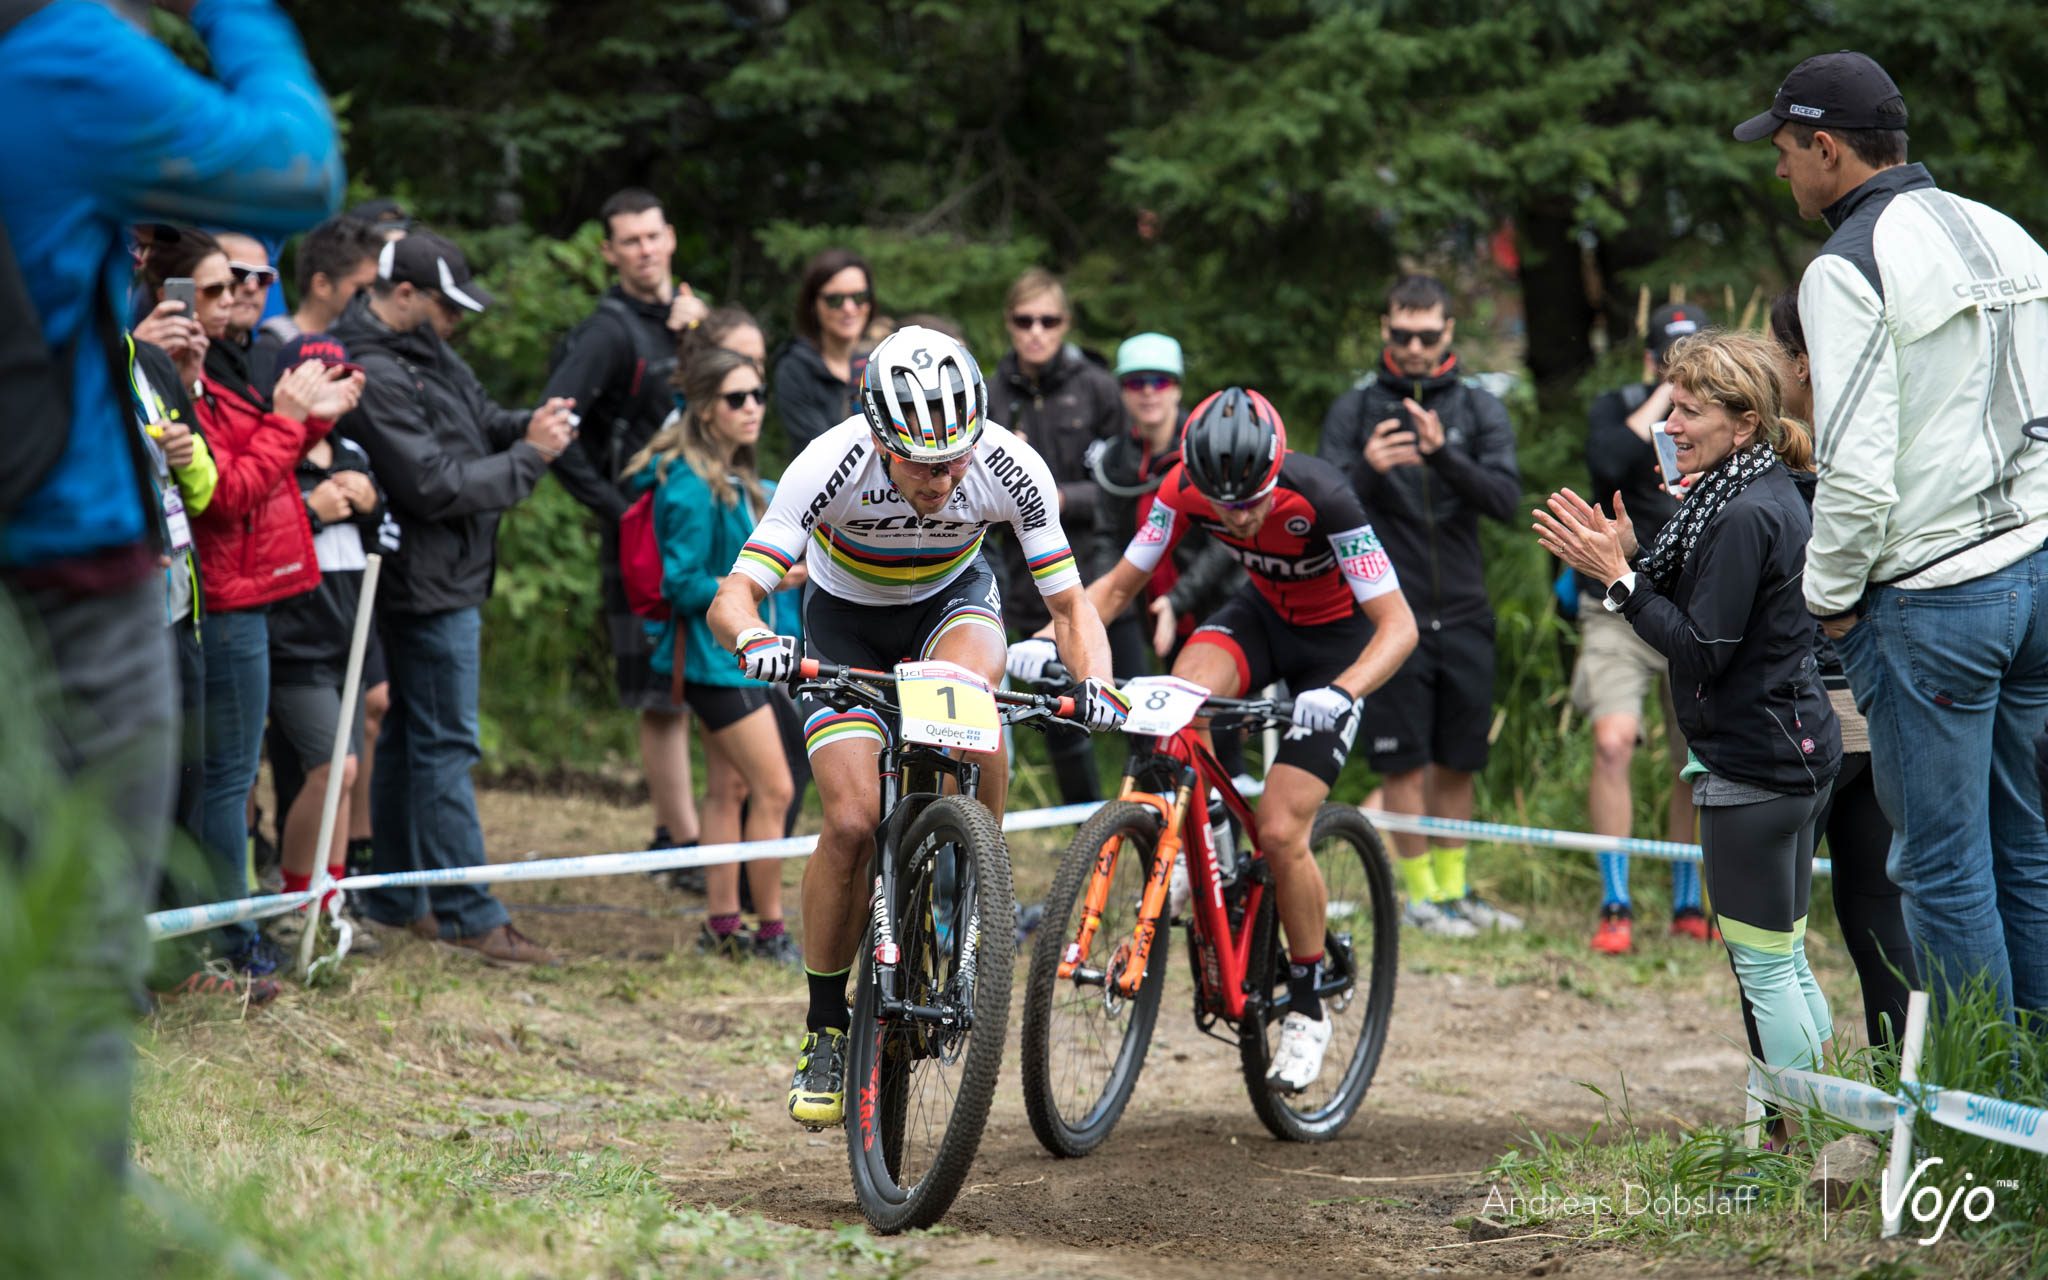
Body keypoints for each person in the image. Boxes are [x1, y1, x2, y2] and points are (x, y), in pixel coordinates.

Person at [0, 0, 341, 1176]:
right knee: (72, 921)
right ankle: (65, 1208)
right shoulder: (54, 61)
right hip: (56, 559)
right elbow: (296, 169)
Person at [706, 325, 1125, 1130]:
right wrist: (757, 641)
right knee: (854, 820)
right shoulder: (829, 462)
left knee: (976, 701)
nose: (941, 479)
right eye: (921, 463)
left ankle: (974, 886)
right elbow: (734, 597)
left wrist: (1097, 683)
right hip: (844, 624)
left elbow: (1072, 607)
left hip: (951, 601)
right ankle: (827, 1024)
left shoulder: (1007, 461)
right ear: (877, 436)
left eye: (954, 461)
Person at [1734, 52, 2048, 1017]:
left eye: (1786, 149)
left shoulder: (1846, 266)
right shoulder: (2006, 232)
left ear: (1826, 146)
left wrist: (1827, 601)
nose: (1781, 168)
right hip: (2035, 570)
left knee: (1942, 869)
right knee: (2026, 850)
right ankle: (2031, 1100)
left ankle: (1973, 1123)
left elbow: (1858, 473)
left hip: (1937, 595)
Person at [1086, 387, 1418, 1091]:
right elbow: (1115, 587)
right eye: (1223, 505)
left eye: (1252, 501)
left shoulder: (1324, 496)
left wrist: (1342, 692)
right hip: (1261, 621)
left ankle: (1306, 1004)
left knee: (1280, 829)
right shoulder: (1181, 486)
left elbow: (1399, 626)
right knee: (1179, 699)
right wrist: (1048, 635)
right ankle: (1197, 847)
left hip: (1338, 650)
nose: (1237, 516)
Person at [1536, 330, 1841, 1074]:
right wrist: (1632, 557)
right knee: (1787, 962)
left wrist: (1618, 580)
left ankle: (1798, 1134)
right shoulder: (1741, 493)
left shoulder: (1744, 514)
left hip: (1758, 768)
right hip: (1789, 755)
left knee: (1767, 971)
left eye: (1688, 413)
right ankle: (1809, 1124)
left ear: (1743, 424)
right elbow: (1704, 604)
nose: (1667, 429)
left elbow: (1705, 648)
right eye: (1671, 409)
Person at [332, 228, 576, 966]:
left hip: (451, 575)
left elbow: (482, 424)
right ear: (404, 294)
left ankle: (402, 899)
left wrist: (531, 428)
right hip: (424, 584)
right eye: (450, 307)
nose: (459, 322)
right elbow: (434, 483)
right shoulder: (368, 367)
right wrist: (530, 458)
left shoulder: (427, 350)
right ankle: (471, 912)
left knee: (413, 736)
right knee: (445, 742)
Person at [146, 230, 363, 976]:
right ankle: (228, 940)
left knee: (224, 779)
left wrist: (315, 414)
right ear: (166, 292)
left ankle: (221, 935)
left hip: (242, 592)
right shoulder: (166, 368)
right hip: (221, 597)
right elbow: (230, 491)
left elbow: (251, 459)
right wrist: (291, 417)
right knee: (223, 781)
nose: (243, 291)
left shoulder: (215, 363)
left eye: (256, 277)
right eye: (219, 283)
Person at [1317, 274, 1522, 936]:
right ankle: (1419, 897)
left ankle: (1456, 893)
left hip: (1464, 607)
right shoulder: (1353, 410)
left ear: (1449, 334)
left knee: (1458, 759)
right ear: (1384, 330)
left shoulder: (1479, 409)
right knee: (1401, 761)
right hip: (1389, 616)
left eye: (1427, 336)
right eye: (1401, 335)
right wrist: (1371, 468)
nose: (1413, 347)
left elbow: (1505, 501)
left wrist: (1444, 454)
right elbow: (1319, 509)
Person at [541, 189, 713, 870]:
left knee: (714, 676)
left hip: (706, 520)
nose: (644, 249)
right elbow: (556, 426)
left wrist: (699, 338)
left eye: (653, 235)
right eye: (629, 241)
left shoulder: (688, 319)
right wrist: (617, 511)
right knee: (661, 689)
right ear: (610, 252)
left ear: (671, 237)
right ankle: (680, 842)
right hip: (644, 531)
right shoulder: (609, 330)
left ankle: (705, 837)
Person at [1768, 291, 1918, 1049]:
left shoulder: (1767, 468)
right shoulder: (1894, 431)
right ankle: (1906, 1108)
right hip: (1879, 704)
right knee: (1880, 918)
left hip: (1803, 719)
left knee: (1772, 942)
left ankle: (1785, 1128)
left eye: (1774, 351)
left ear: (1801, 361)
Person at [627, 347, 800, 963]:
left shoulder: (740, 479)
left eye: (758, 395)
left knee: (728, 790)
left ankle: (723, 926)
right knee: (774, 789)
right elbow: (681, 582)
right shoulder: (690, 486)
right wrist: (756, 587)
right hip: (711, 660)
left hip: (735, 657)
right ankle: (770, 931)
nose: (752, 408)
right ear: (704, 409)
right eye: (736, 398)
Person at [1576, 303, 1709, 954]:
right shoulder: (1619, 406)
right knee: (1613, 741)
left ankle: (1688, 899)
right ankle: (1615, 902)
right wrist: (1664, 393)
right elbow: (1605, 461)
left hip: (1693, 607)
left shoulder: (1724, 419)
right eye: (1669, 357)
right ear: (1650, 360)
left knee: (1695, 761)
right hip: (1614, 603)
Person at [263, 333, 393, 945]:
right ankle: (296, 901)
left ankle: (328, 899)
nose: (339, 391)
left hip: (350, 631)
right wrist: (313, 509)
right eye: (324, 378)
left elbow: (380, 531)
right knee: (334, 770)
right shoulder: (273, 450)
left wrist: (370, 502)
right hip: (294, 640)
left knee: (342, 772)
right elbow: (254, 535)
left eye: (346, 380)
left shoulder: (353, 451)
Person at [992, 269, 1130, 803]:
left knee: (1072, 720)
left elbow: (1123, 488)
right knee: (987, 720)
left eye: (1048, 321)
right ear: (1009, 324)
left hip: (1078, 569)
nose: (1036, 332)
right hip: (1007, 572)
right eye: (1024, 321)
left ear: (1064, 324)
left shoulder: (1097, 388)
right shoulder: (990, 391)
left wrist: (1056, 497)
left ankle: (1087, 833)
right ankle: (982, 843)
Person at [249, 214, 384, 391]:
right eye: (362, 288)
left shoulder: (360, 344)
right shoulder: (272, 348)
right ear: (322, 285)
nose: (371, 297)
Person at [772, 247, 872, 453]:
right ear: (813, 304)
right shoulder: (796, 368)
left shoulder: (886, 357)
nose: (849, 308)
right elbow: (819, 453)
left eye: (859, 297)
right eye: (834, 300)